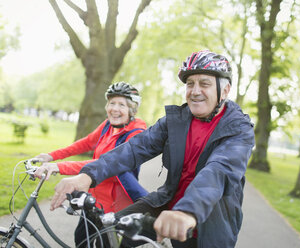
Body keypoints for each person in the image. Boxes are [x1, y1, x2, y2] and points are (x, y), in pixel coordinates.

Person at [49, 50, 255, 248]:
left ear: (225, 91)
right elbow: (134, 149)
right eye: (190, 84)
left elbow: (218, 172)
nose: (194, 91)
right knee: (110, 231)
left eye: (204, 84)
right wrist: (87, 175)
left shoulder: (239, 130)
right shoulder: (176, 121)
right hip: (167, 202)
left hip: (209, 218)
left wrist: (186, 211)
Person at [35, 82, 148, 247]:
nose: (115, 108)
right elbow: (85, 143)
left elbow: (105, 163)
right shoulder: (108, 125)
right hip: (92, 199)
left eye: (121, 104)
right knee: (81, 239)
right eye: (112, 103)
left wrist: (60, 167)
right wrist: (52, 156)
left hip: (113, 205)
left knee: (104, 244)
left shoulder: (136, 134)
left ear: (131, 109)